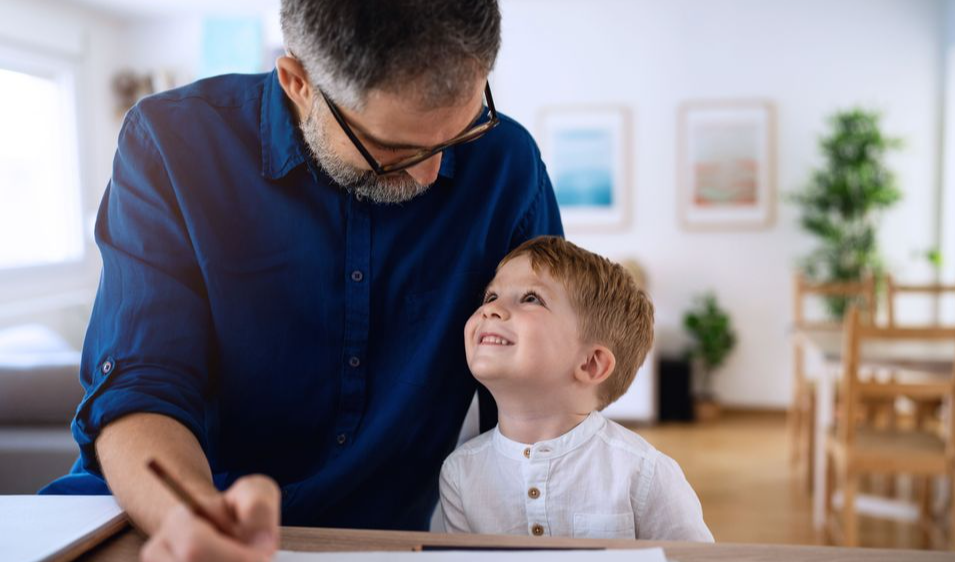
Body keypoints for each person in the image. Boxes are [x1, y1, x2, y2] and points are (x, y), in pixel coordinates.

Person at [40, 1, 562, 560]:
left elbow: (546, 381)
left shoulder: (507, 163)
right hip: (154, 516)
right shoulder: (171, 141)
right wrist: (190, 513)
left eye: (459, 131)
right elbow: (141, 382)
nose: (432, 175)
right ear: (298, 83)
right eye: (393, 149)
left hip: (374, 539)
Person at [440, 236, 713, 541]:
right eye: (490, 297)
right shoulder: (459, 475)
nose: (492, 310)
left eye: (531, 298)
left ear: (591, 364)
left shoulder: (645, 474)